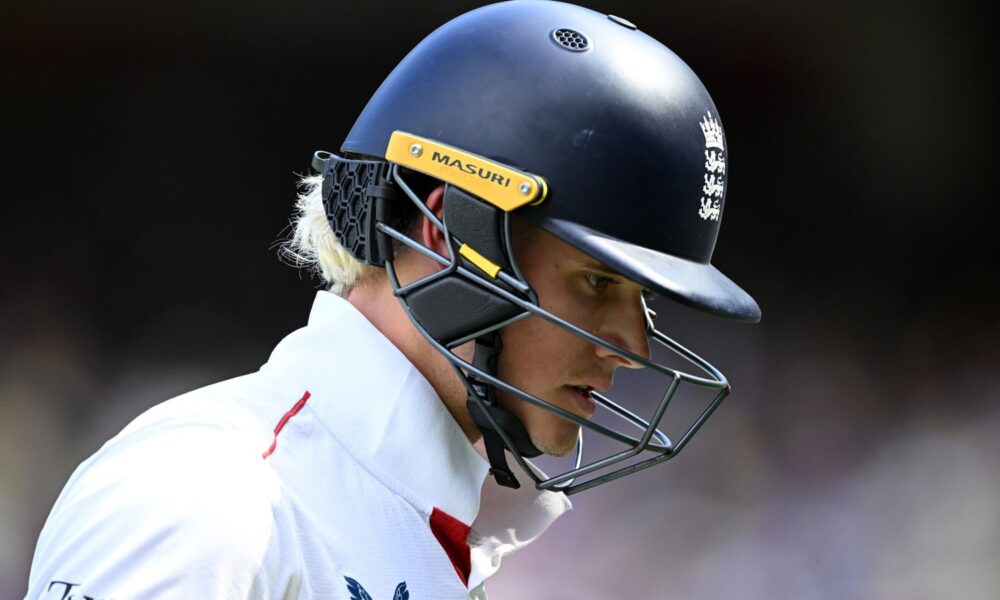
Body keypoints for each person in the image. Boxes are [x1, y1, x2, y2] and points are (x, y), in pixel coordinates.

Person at [26, 1, 760, 598]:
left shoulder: (430, 527)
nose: (632, 347)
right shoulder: (207, 500)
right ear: (451, 233)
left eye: (641, 298)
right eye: (599, 283)